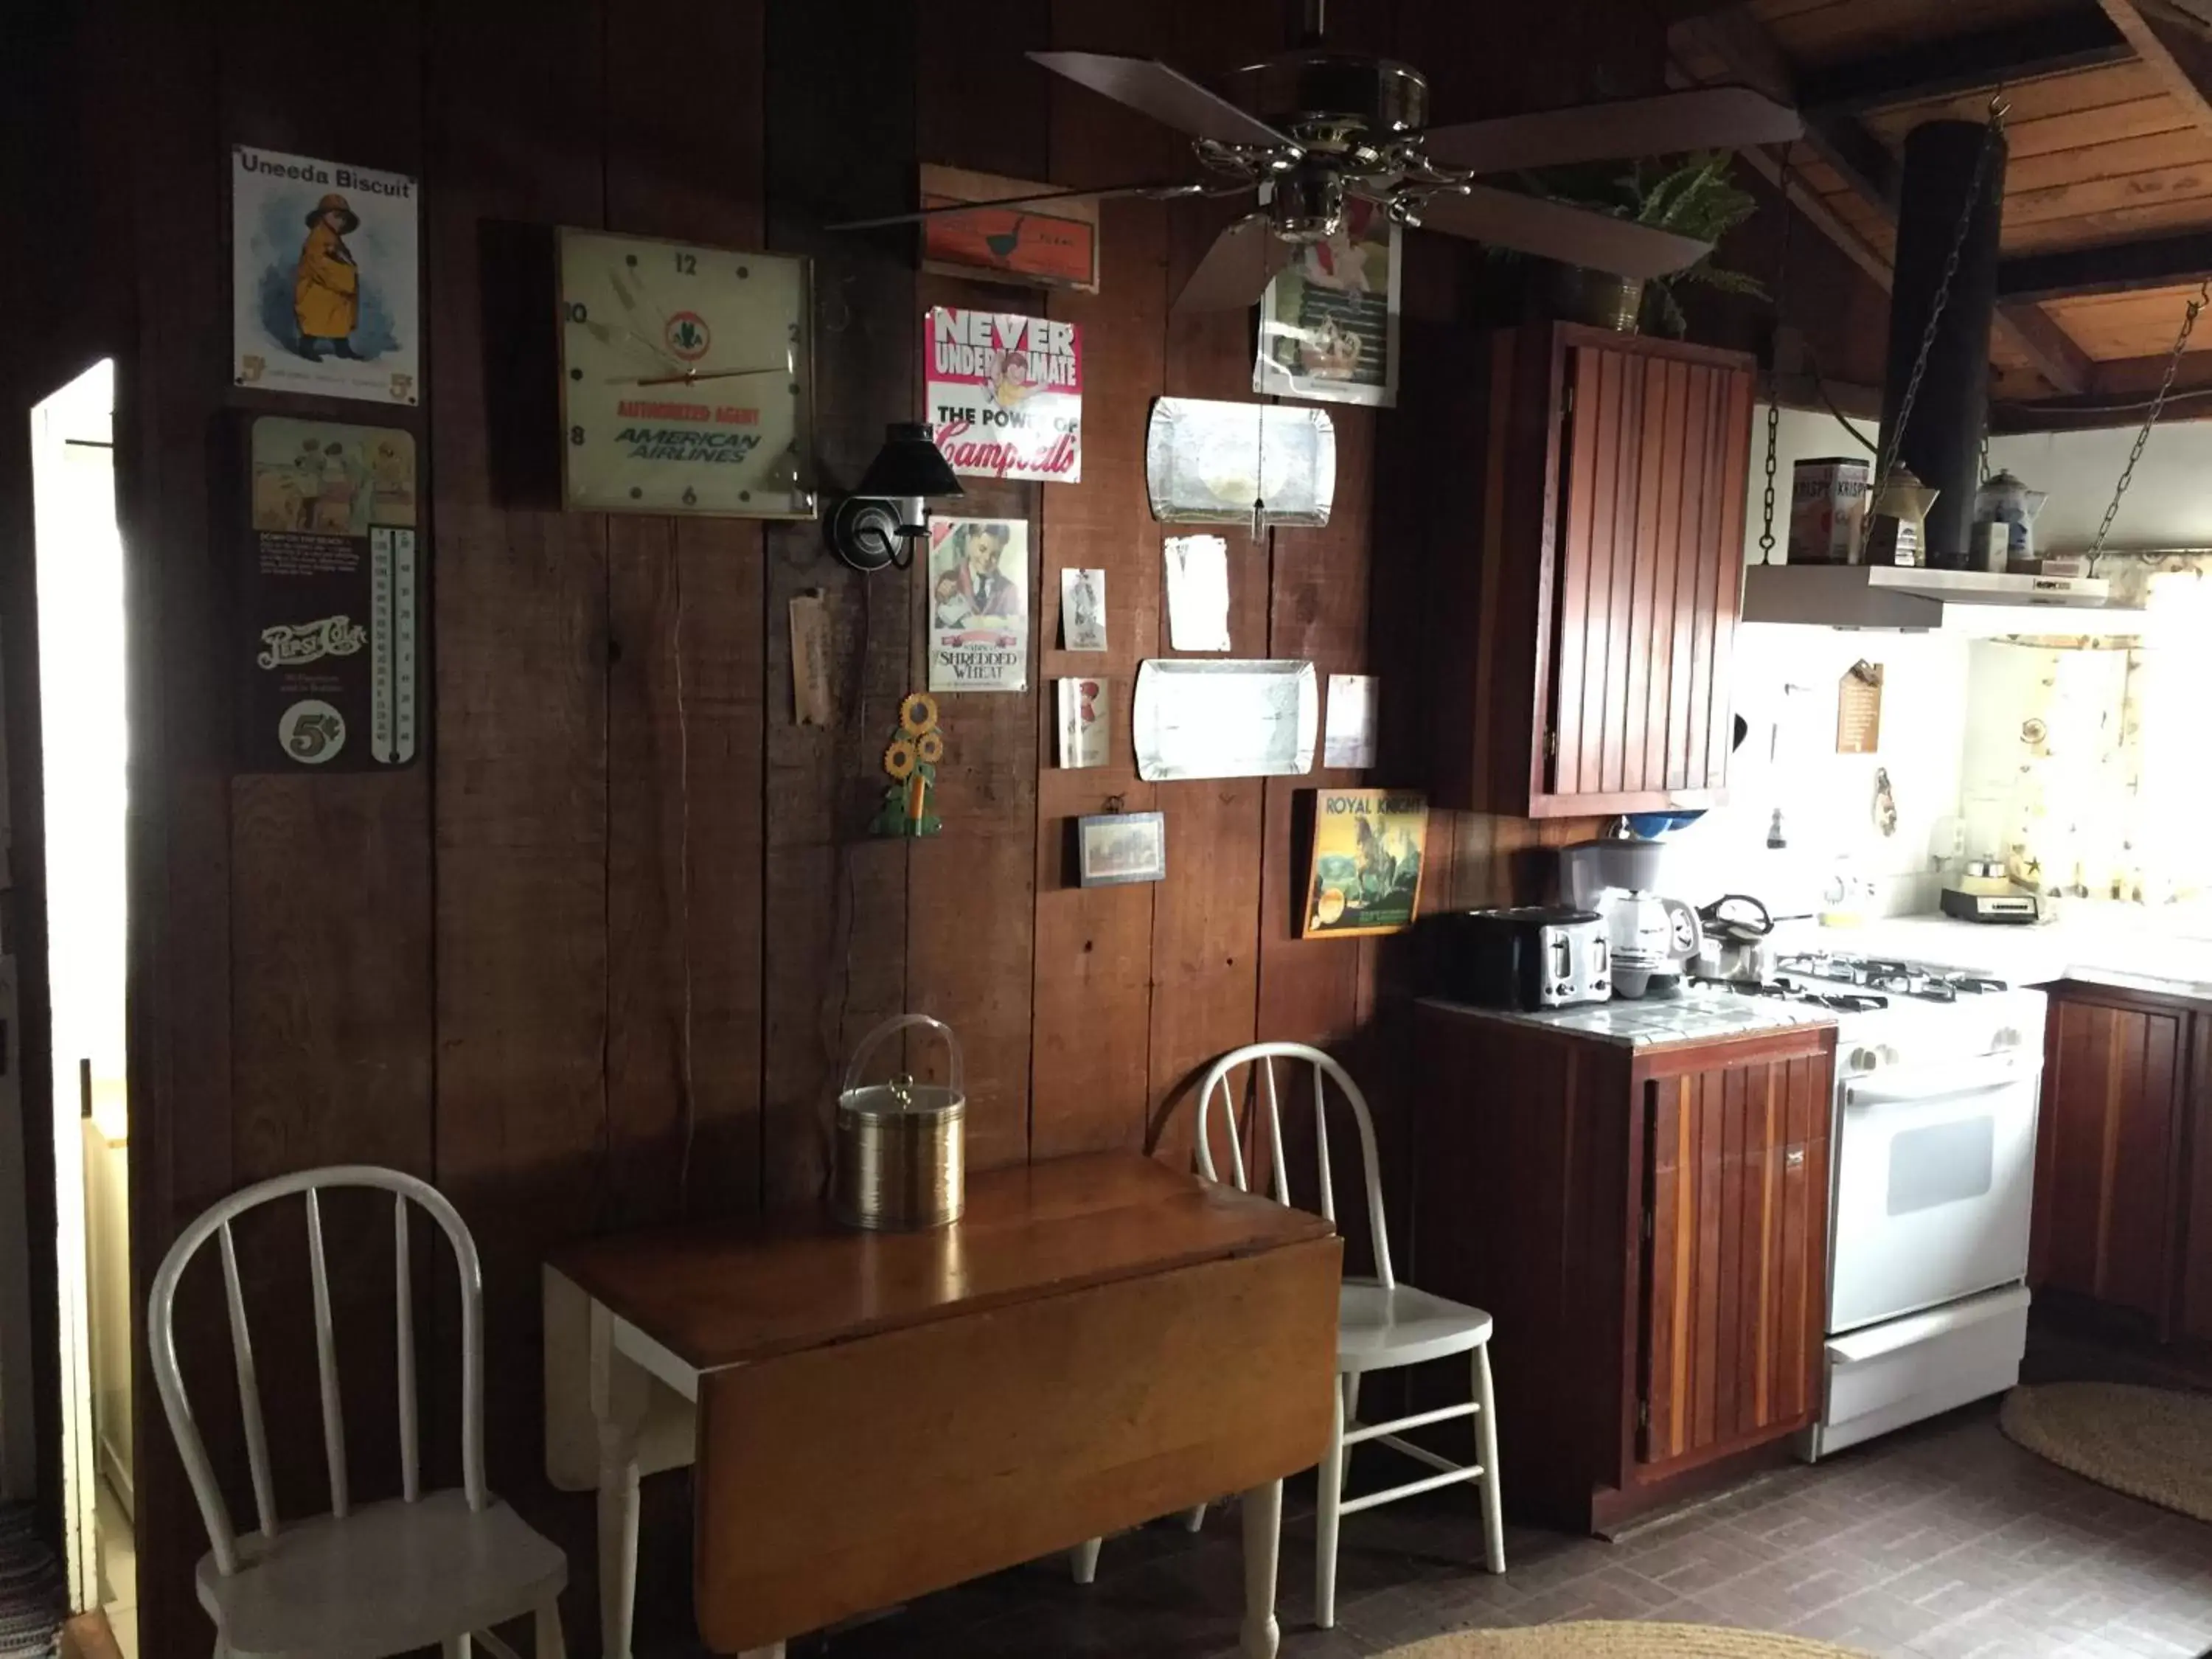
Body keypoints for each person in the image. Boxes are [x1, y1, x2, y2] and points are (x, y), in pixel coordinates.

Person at [294, 192, 363, 362]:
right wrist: (344, 276)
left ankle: (342, 347)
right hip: (317, 286)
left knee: (339, 315)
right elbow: (316, 261)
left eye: (344, 219)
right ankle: (306, 346)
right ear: (322, 216)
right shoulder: (318, 236)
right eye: (337, 216)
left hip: (333, 287)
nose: (341, 222)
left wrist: (348, 271)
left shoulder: (335, 239)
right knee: (316, 315)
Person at [936, 522, 1020, 624]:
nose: (987, 559)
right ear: (969, 541)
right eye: (982, 549)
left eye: (995, 554)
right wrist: (940, 599)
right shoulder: (949, 579)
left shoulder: (1009, 591)